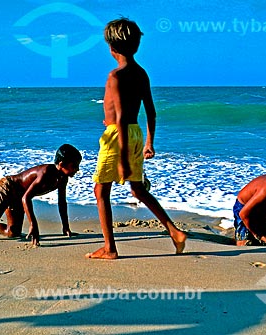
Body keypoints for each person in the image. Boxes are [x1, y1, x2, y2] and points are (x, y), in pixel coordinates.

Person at [86, 18, 187, 260]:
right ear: (136, 45)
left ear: (111, 48)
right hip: (135, 133)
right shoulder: (141, 73)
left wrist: (121, 158)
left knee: (101, 190)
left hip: (117, 136)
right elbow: (150, 111)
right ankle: (174, 231)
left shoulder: (115, 76)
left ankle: (110, 248)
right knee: (138, 189)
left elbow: (119, 118)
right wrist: (150, 142)